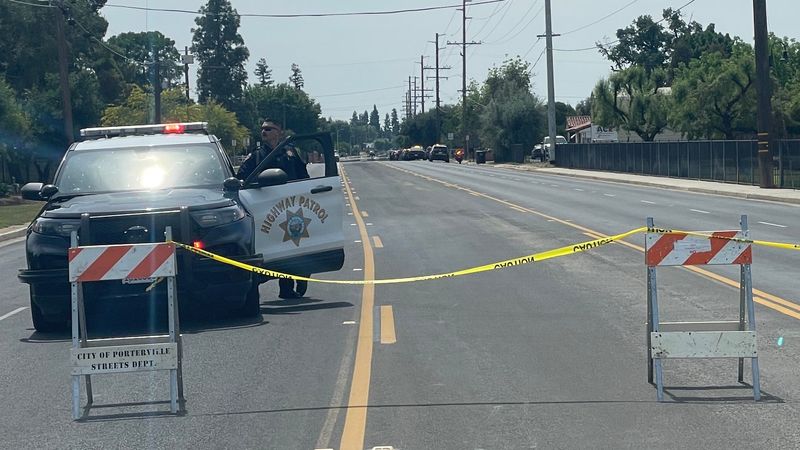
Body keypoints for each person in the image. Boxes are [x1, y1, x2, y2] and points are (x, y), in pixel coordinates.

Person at [238, 119, 310, 299]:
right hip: (266, 210)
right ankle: (283, 287)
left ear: (279, 132)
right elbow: (241, 180)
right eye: (262, 129)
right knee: (275, 248)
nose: (264, 132)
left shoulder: (291, 153)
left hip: (292, 206)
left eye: (269, 129)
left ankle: (302, 275)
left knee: (296, 244)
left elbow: (304, 177)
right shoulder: (256, 156)